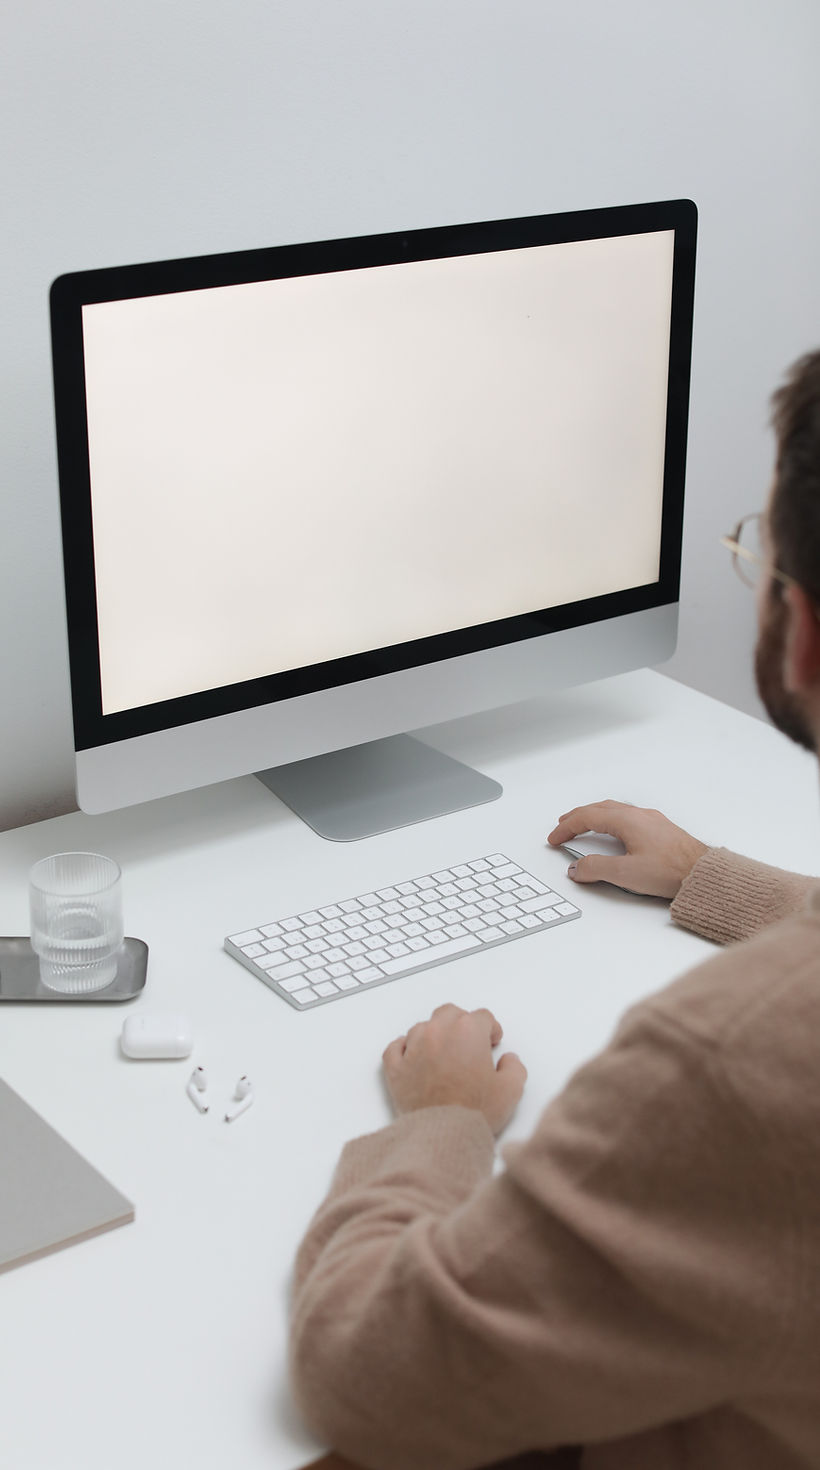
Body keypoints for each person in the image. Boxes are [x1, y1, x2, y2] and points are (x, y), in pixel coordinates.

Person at [288, 349, 820, 1470]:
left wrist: (438, 1122)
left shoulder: (736, 1064)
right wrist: (710, 877)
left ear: (802, 630)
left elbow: (364, 1378)